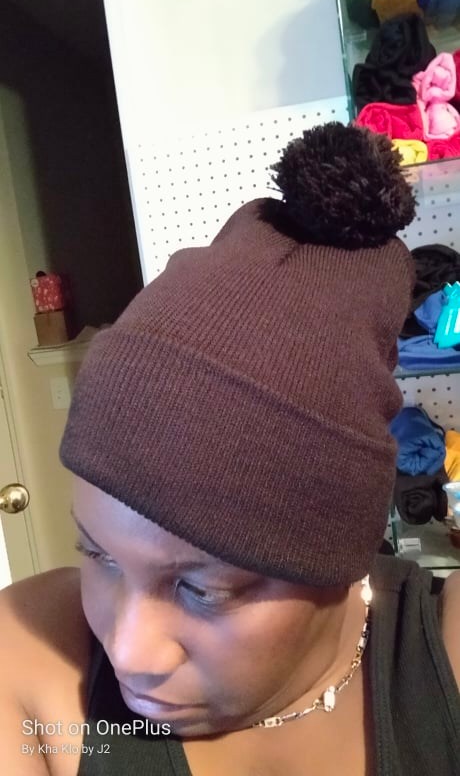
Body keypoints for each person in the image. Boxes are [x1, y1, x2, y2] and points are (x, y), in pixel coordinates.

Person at [0, 123, 459, 776]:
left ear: (338, 561)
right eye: (97, 554)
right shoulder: (30, 656)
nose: (129, 651)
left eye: (202, 589)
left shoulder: (443, 660)